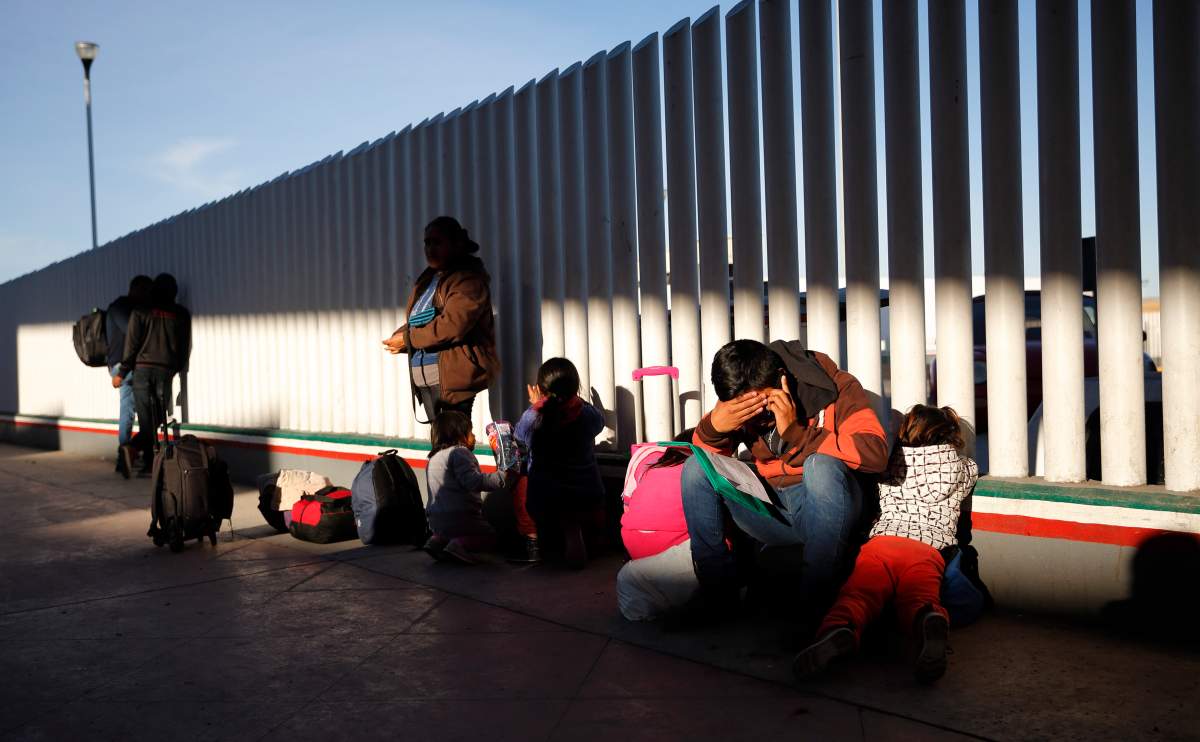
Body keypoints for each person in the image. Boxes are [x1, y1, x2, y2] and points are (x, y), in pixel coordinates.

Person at [673, 339, 888, 628]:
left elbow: (875, 453)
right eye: (746, 409)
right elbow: (711, 459)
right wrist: (714, 428)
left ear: (781, 380)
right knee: (695, 466)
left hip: (831, 504)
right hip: (776, 506)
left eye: (763, 405)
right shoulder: (741, 390)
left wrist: (801, 435)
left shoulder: (837, 386)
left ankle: (815, 605)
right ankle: (718, 592)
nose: (759, 418)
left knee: (820, 465)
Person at [794, 405, 978, 683]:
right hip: (927, 549)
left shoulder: (890, 463)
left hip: (882, 544)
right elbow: (971, 470)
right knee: (918, 597)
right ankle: (927, 618)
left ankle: (840, 627)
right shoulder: (961, 468)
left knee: (858, 595)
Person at [383, 216, 500, 423]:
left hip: (454, 381)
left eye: (437, 242)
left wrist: (409, 339)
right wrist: (401, 335)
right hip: (428, 379)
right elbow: (420, 319)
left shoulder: (467, 279)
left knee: (453, 445)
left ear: (456, 244)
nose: (429, 248)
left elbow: (452, 325)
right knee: (443, 443)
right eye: (427, 243)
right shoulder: (429, 278)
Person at [515, 358, 605, 569]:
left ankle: (550, 546)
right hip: (587, 495)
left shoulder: (533, 417)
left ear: (540, 388)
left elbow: (519, 435)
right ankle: (583, 539)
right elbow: (600, 422)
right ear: (576, 387)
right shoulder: (586, 414)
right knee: (574, 521)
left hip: (545, 498)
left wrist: (537, 404)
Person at [113, 273, 192, 477]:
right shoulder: (181, 314)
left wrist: (122, 372)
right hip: (165, 371)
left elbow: (132, 344)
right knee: (157, 419)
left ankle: (131, 449)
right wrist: (176, 368)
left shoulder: (140, 311)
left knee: (147, 419)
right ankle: (149, 464)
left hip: (142, 370)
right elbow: (184, 348)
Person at [616, 443, 699, 621]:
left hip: (634, 545)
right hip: (676, 549)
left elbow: (627, 506)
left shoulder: (646, 457)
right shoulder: (700, 466)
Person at [423, 410, 508, 565]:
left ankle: (437, 541)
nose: (474, 436)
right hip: (461, 517)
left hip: (435, 520)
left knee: (448, 530)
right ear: (460, 436)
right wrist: (502, 477)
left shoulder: (432, 458)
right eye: (471, 432)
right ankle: (460, 545)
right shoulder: (460, 453)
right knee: (490, 536)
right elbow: (474, 482)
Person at [106, 275, 153, 475]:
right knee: (131, 411)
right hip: (124, 366)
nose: (148, 296)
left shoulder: (122, 307)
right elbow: (132, 332)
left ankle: (128, 455)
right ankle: (125, 454)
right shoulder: (121, 307)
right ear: (136, 290)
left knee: (134, 410)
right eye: (146, 292)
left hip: (127, 366)